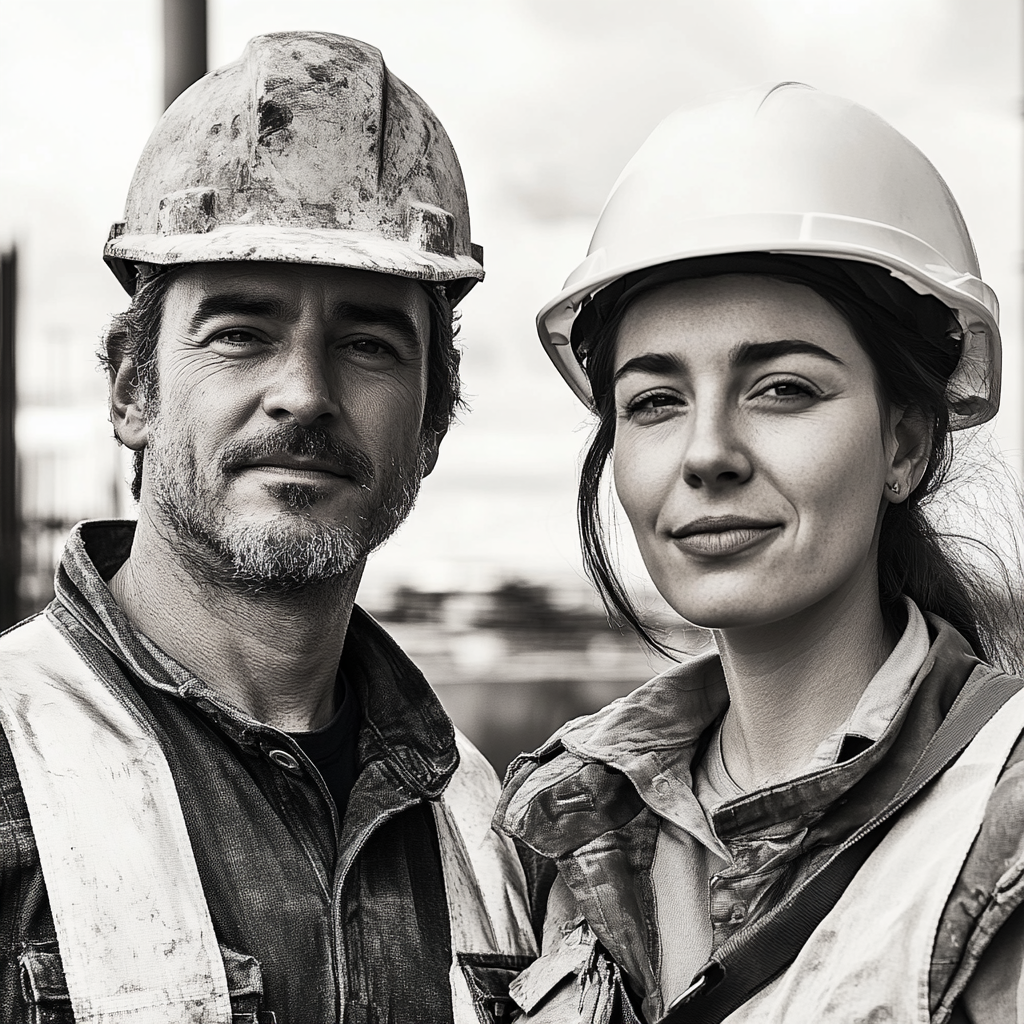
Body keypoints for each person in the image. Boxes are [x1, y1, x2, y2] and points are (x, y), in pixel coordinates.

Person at [0, 31, 535, 1024]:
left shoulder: (486, 826)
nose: (301, 393)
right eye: (241, 331)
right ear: (131, 385)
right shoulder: (13, 753)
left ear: (431, 423)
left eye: (367, 342)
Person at [495, 83, 1024, 1023]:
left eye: (781, 389)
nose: (706, 453)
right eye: (655, 401)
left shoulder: (1001, 825)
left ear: (904, 443)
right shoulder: (560, 820)